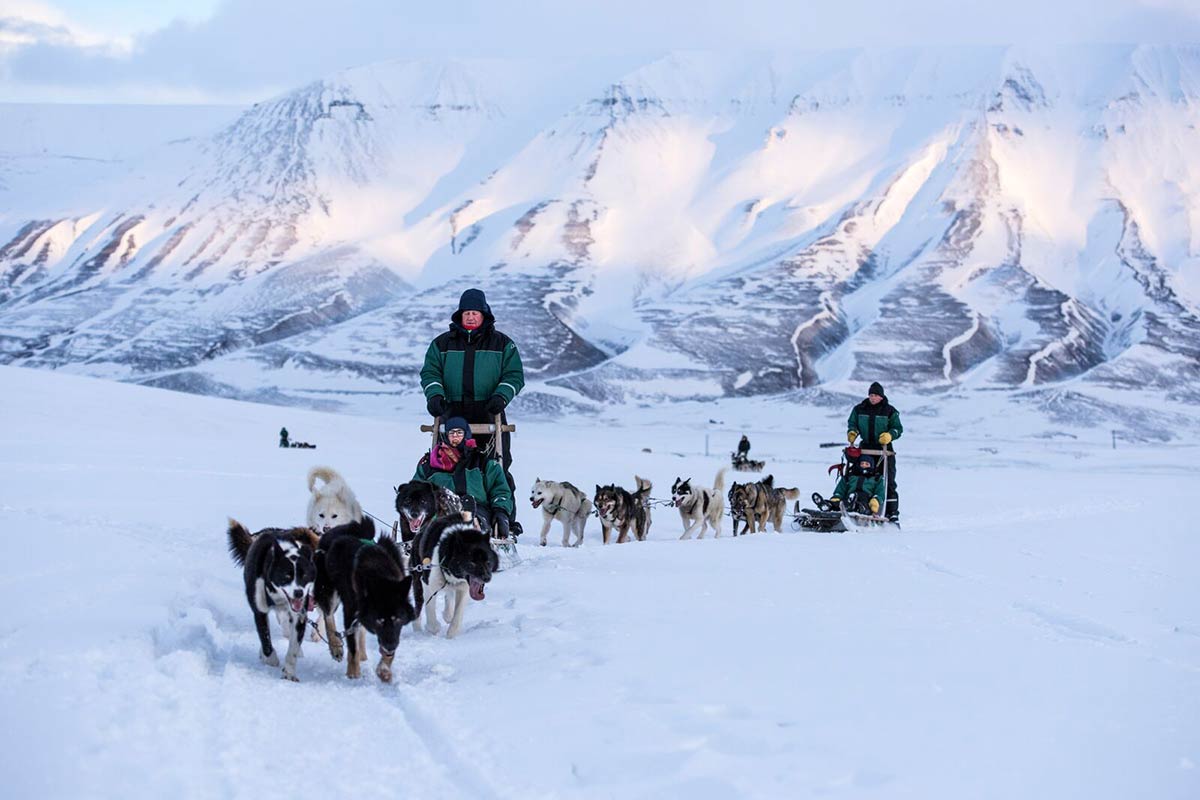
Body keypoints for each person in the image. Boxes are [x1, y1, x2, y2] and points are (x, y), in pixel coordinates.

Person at [421, 288, 525, 531]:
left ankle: (503, 517)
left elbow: (514, 375)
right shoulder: (442, 344)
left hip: (489, 410)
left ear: (484, 315)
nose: (470, 317)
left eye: (475, 313)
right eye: (466, 312)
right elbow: (430, 372)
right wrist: (435, 396)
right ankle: (442, 513)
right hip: (452, 411)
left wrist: (502, 395)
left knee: (497, 464)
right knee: (445, 462)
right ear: (459, 315)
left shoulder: (502, 344)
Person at [413, 416, 515, 537]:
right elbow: (415, 491)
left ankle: (468, 531)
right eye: (452, 433)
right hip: (440, 510)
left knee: (471, 513)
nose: (455, 436)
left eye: (459, 432)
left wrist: (501, 511)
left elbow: (500, 491)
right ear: (446, 435)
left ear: (466, 434)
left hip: (478, 509)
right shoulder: (429, 465)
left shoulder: (483, 463)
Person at [846, 381, 902, 521]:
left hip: (884, 451)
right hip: (865, 449)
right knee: (858, 477)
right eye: (871, 395)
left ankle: (892, 513)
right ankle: (856, 503)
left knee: (887, 481)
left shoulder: (889, 411)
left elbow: (897, 429)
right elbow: (852, 423)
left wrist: (890, 435)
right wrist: (852, 431)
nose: (873, 397)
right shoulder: (860, 409)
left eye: (876, 395)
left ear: (881, 397)